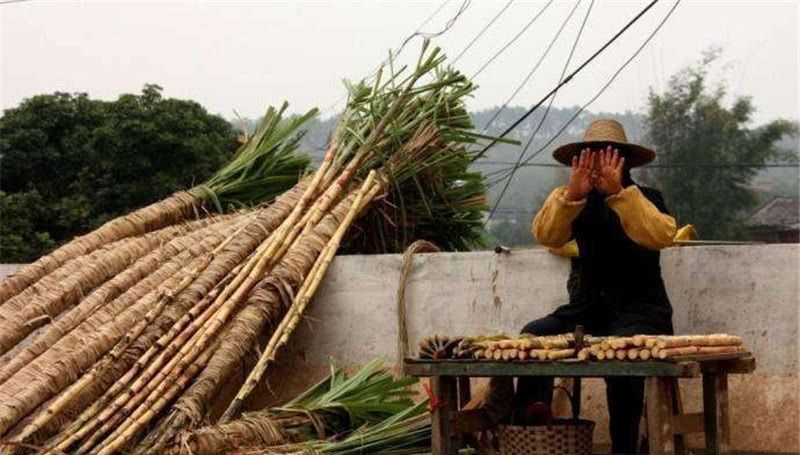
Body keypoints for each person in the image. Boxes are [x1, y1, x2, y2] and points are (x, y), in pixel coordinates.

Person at [486, 119, 678, 454]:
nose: (598, 163)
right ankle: (533, 428)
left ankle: (624, 448)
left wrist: (619, 193)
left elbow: (660, 236)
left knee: (622, 354)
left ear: (623, 161)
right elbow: (547, 235)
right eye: (590, 156)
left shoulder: (649, 198)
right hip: (588, 309)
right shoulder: (573, 201)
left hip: (641, 312)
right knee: (534, 334)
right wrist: (572, 195)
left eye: (607, 155)